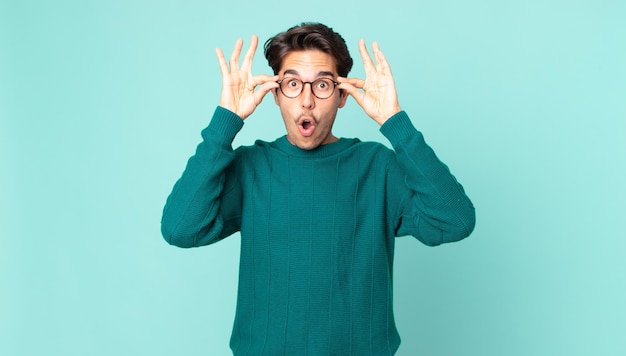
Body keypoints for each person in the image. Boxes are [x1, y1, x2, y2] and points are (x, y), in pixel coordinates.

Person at [161, 22, 475, 355]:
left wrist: (395, 121)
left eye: (322, 84)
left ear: (342, 95)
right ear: (275, 94)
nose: (307, 101)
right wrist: (225, 122)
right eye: (293, 84)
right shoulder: (251, 167)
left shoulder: (377, 167)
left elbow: (455, 220)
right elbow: (180, 229)